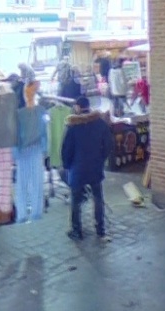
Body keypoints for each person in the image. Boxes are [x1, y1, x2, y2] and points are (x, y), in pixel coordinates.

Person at [61, 96, 113, 241]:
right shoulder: (100, 123)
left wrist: (67, 165)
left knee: (76, 201)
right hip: (95, 166)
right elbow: (109, 144)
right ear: (88, 106)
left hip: (77, 169)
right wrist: (101, 158)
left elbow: (66, 149)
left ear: (77, 107)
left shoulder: (72, 126)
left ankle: (77, 231)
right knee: (97, 198)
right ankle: (100, 229)